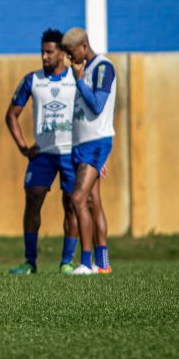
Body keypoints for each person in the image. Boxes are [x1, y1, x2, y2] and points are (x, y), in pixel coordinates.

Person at [6, 29, 79, 275]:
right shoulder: (32, 80)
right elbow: (11, 115)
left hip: (71, 153)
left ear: (62, 53)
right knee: (33, 201)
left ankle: (67, 262)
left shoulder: (76, 79)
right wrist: (23, 147)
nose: (44, 56)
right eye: (42, 52)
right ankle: (30, 261)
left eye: (49, 52)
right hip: (42, 155)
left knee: (72, 204)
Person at [61, 27, 116, 275]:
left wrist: (79, 81)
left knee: (77, 199)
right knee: (92, 201)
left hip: (95, 142)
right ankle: (102, 264)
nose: (69, 58)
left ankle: (85, 263)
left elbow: (97, 105)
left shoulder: (103, 67)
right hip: (81, 144)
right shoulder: (81, 69)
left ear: (84, 47)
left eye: (71, 52)